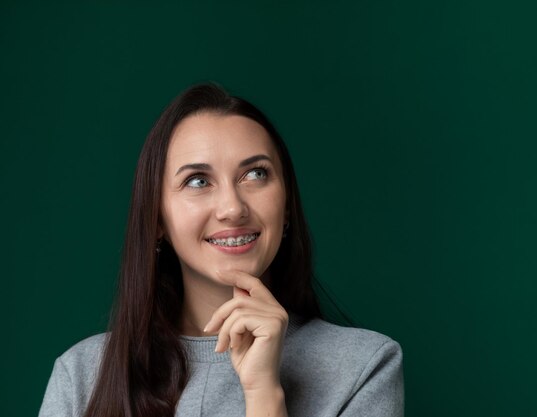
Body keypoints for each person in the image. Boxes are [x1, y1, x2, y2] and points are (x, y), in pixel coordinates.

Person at [39, 84, 404, 417]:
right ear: (157, 221)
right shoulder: (82, 376)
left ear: (288, 203)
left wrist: (264, 394)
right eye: (198, 181)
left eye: (256, 174)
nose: (232, 207)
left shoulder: (363, 367)